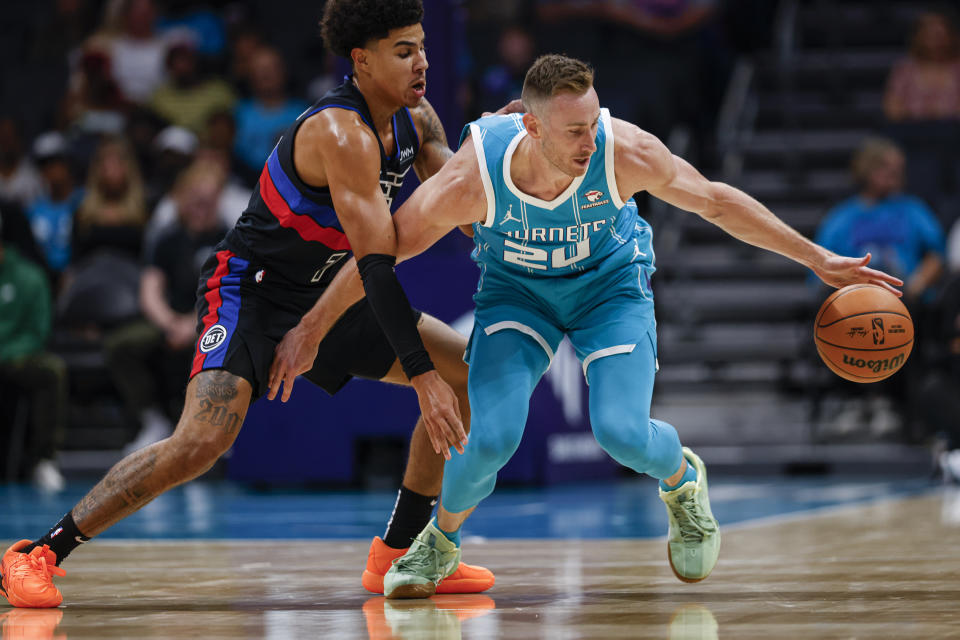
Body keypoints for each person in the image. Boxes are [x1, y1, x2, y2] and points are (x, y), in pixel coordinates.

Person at [297, 54, 904, 598]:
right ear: (531, 127)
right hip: (518, 293)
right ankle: (440, 543)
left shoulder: (623, 151)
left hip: (609, 288)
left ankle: (683, 481)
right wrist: (314, 326)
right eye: (573, 131)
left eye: (592, 123)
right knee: (489, 440)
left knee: (620, 433)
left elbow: (716, 201)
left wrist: (817, 259)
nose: (589, 141)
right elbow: (381, 255)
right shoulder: (473, 175)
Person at [0, 0, 502, 609]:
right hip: (252, 291)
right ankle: (37, 553)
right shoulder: (341, 133)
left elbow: (464, 208)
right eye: (404, 51)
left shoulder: (416, 120)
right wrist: (416, 375)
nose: (421, 62)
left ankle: (400, 555)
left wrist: (497, 160)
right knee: (201, 443)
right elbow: (376, 263)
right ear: (361, 61)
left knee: (468, 378)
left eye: (422, 47)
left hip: (325, 292)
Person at [0, 211, 68, 492]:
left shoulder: (30, 277)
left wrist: (5, 353)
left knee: (51, 371)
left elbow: (38, 332)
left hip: (16, 358)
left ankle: (44, 459)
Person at [884, 10, 960, 122]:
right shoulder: (905, 69)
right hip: (912, 129)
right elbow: (892, 109)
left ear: (950, 35)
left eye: (940, 34)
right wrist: (922, 115)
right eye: (930, 34)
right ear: (919, 37)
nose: (936, 41)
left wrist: (940, 115)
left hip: (953, 129)